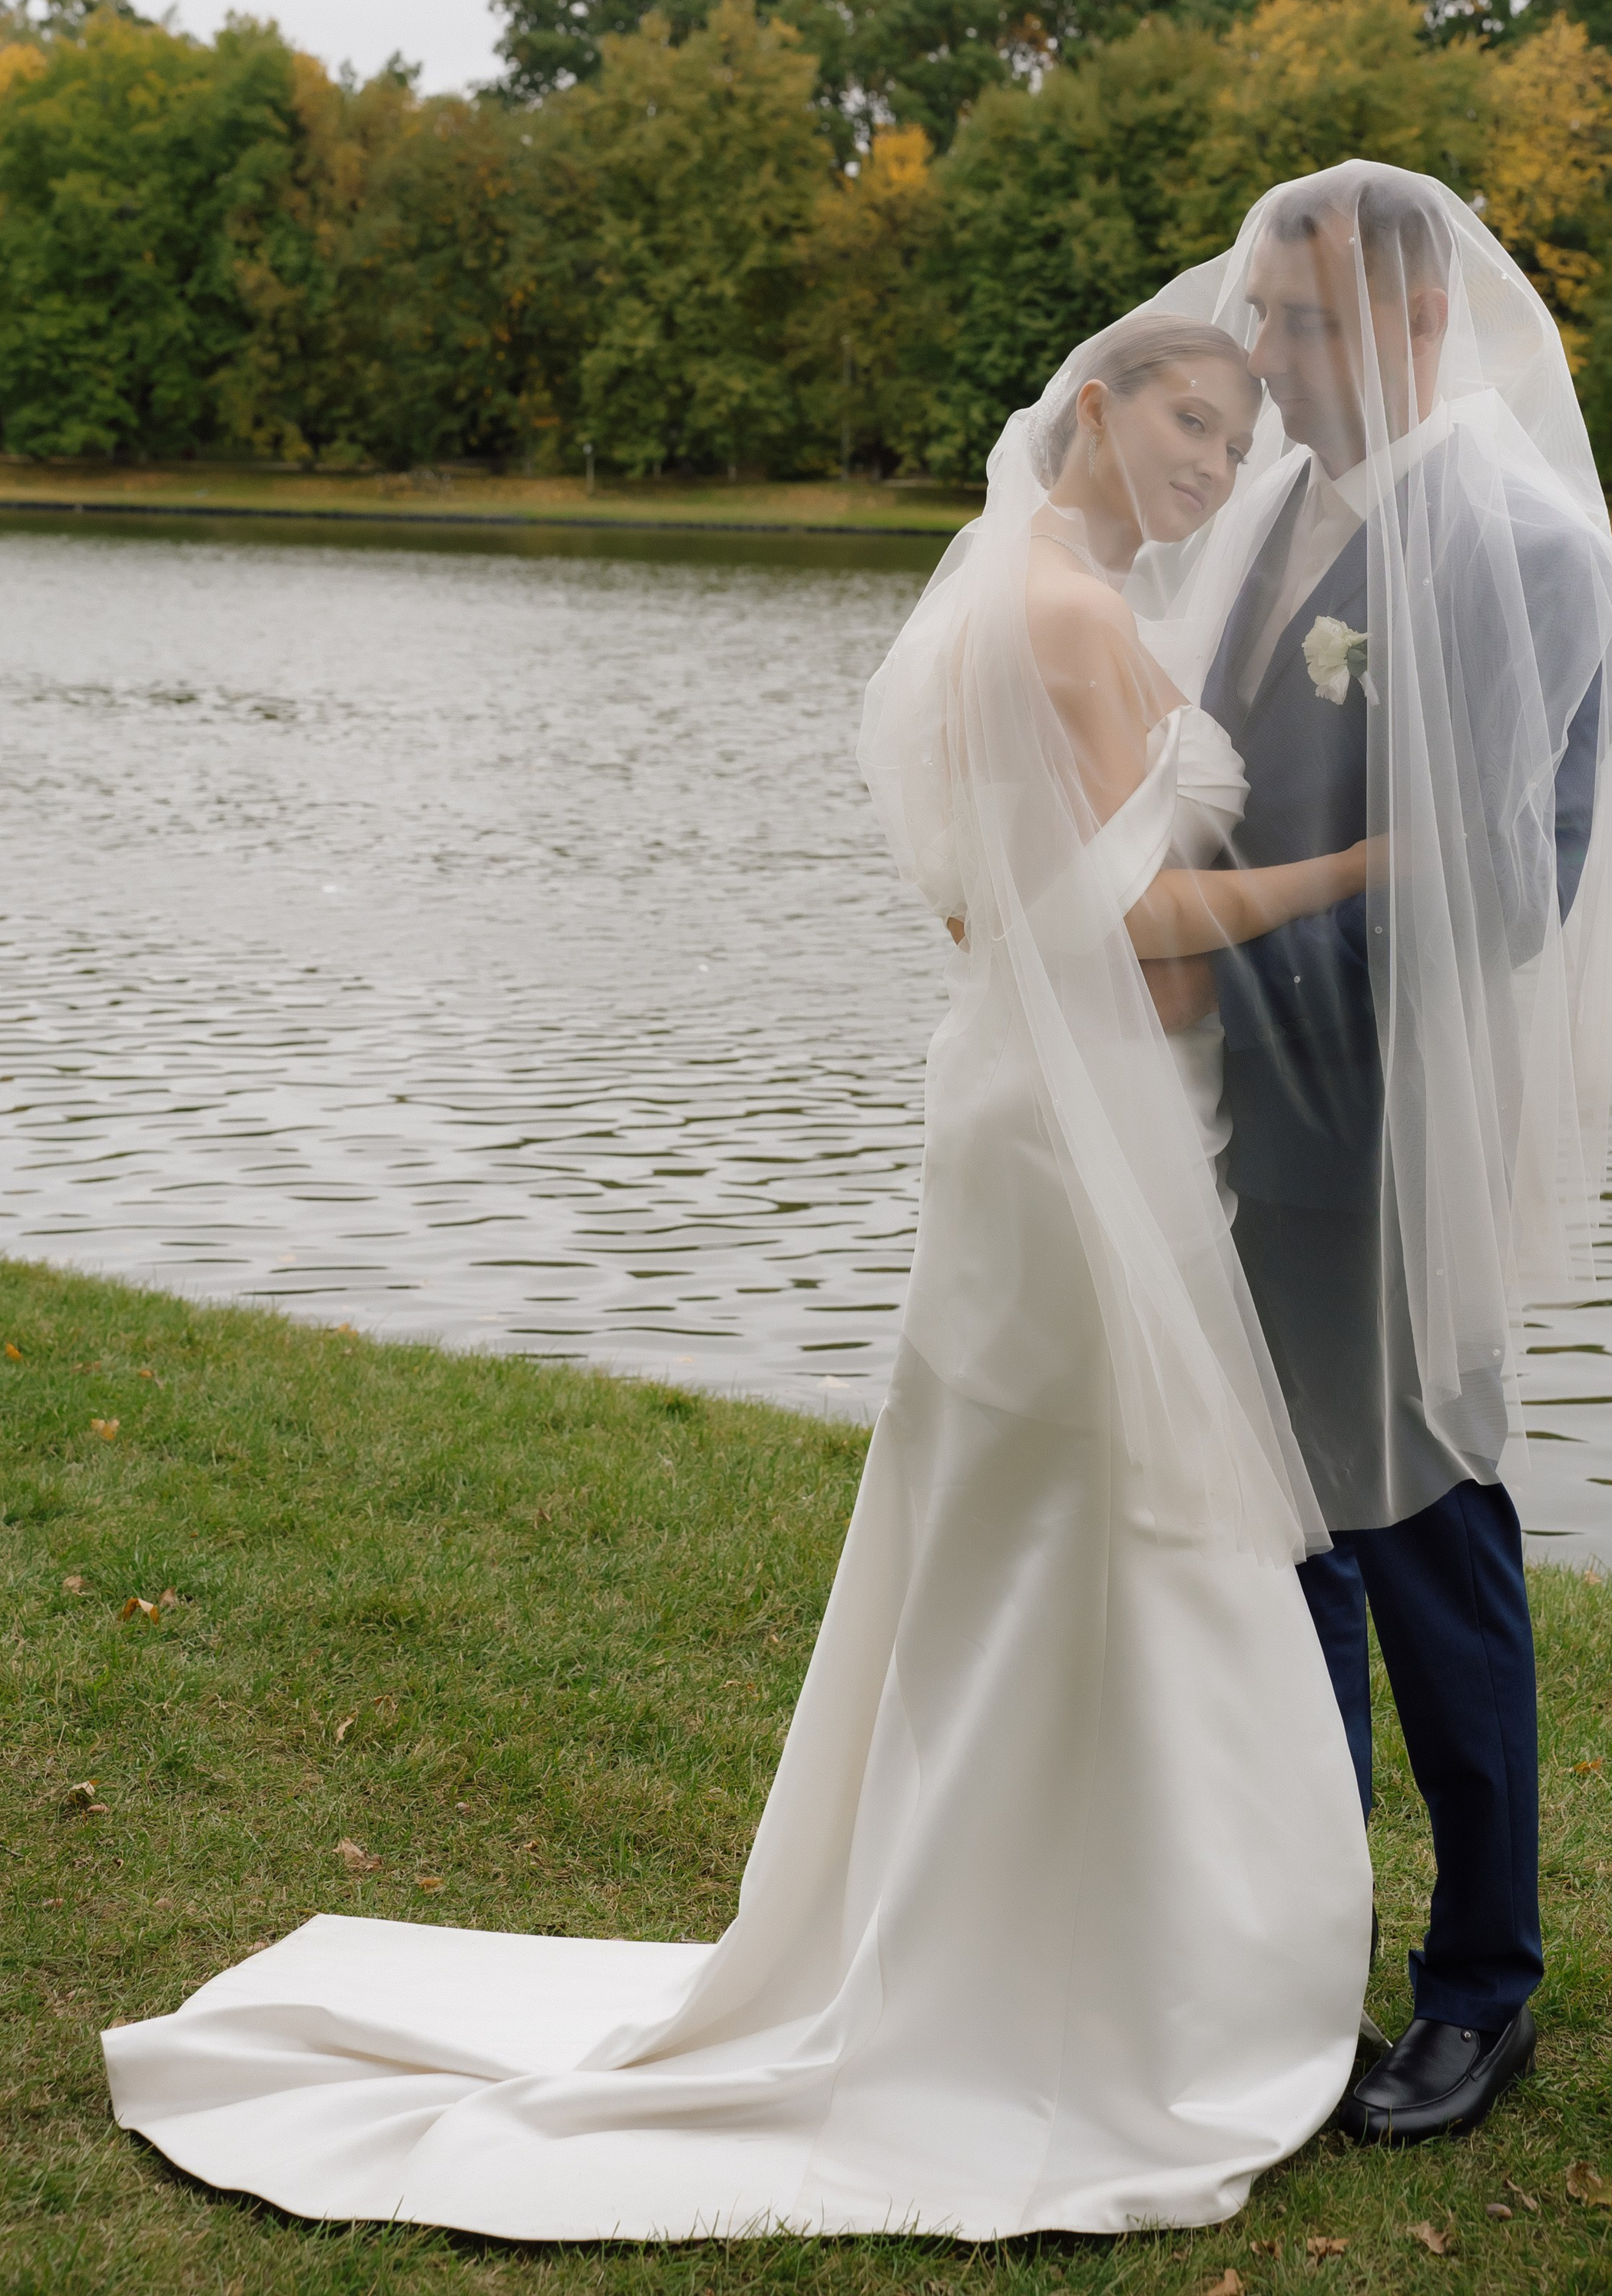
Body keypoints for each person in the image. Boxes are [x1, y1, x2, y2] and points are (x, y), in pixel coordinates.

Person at [101, 313, 1380, 2242]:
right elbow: (1136, 918)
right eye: (1190, 419)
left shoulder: (1020, 594)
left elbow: (987, 890)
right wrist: (1360, 868)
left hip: (1040, 1101)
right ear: (1098, 407)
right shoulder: (1065, 617)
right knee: (1089, 1517)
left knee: (1035, 1524)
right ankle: (1092, 1979)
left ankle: (1036, 1927)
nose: (1214, 460)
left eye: (1239, 434)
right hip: (1084, 1119)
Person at [1138, 161, 1612, 2144]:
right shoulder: (1281, 508)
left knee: (1425, 1543)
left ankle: (1484, 1984)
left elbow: (1510, 885)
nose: (1269, 359)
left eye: (1303, 325)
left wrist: (1217, 972)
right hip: (1223, 1126)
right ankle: (1294, 1942)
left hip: (1395, 1136)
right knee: (1268, 1540)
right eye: (1263, 320)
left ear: (1415, 320)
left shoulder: (1524, 544)